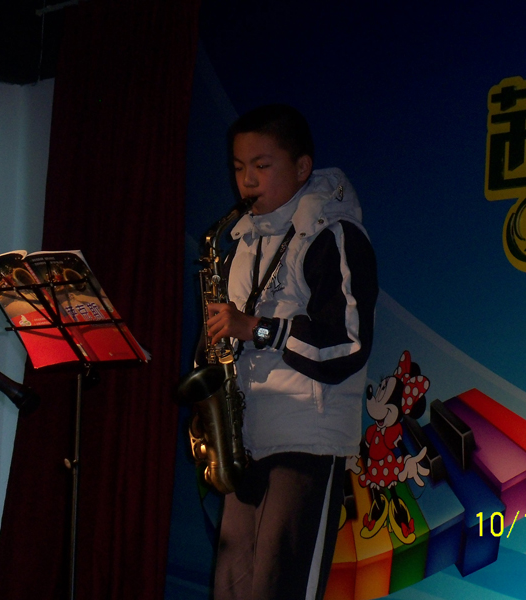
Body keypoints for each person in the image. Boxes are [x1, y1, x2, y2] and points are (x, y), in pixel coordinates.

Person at [205, 104, 378, 600]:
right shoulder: (240, 244)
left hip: (307, 440)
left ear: (302, 167)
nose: (247, 181)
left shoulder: (333, 234)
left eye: (262, 166)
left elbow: (347, 345)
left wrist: (258, 329)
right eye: (239, 167)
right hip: (247, 442)